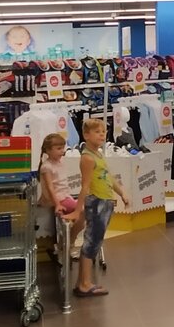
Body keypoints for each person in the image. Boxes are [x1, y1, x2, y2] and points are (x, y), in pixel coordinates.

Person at [67, 119, 129, 297]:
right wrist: (77, 210)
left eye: (103, 131)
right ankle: (85, 284)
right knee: (92, 242)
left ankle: (82, 282)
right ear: (86, 135)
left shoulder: (99, 155)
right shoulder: (87, 158)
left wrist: (121, 192)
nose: (102, 134)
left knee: (95, 241)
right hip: (97, 202)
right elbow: (85, 186)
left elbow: (108, 177)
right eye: (97, 132)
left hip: (105, 201)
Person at [37, 133, 82, 263]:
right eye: (58, 148)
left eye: (63, 148)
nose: (62, 151)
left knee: (81, 218)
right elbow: (50, 188)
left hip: (65, 196)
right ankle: (67, 245)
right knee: (82, 211)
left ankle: (66, 244)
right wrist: (57, 204)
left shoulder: (60, 163)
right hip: (59, 199)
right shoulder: (47, 167)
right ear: (48, 150)